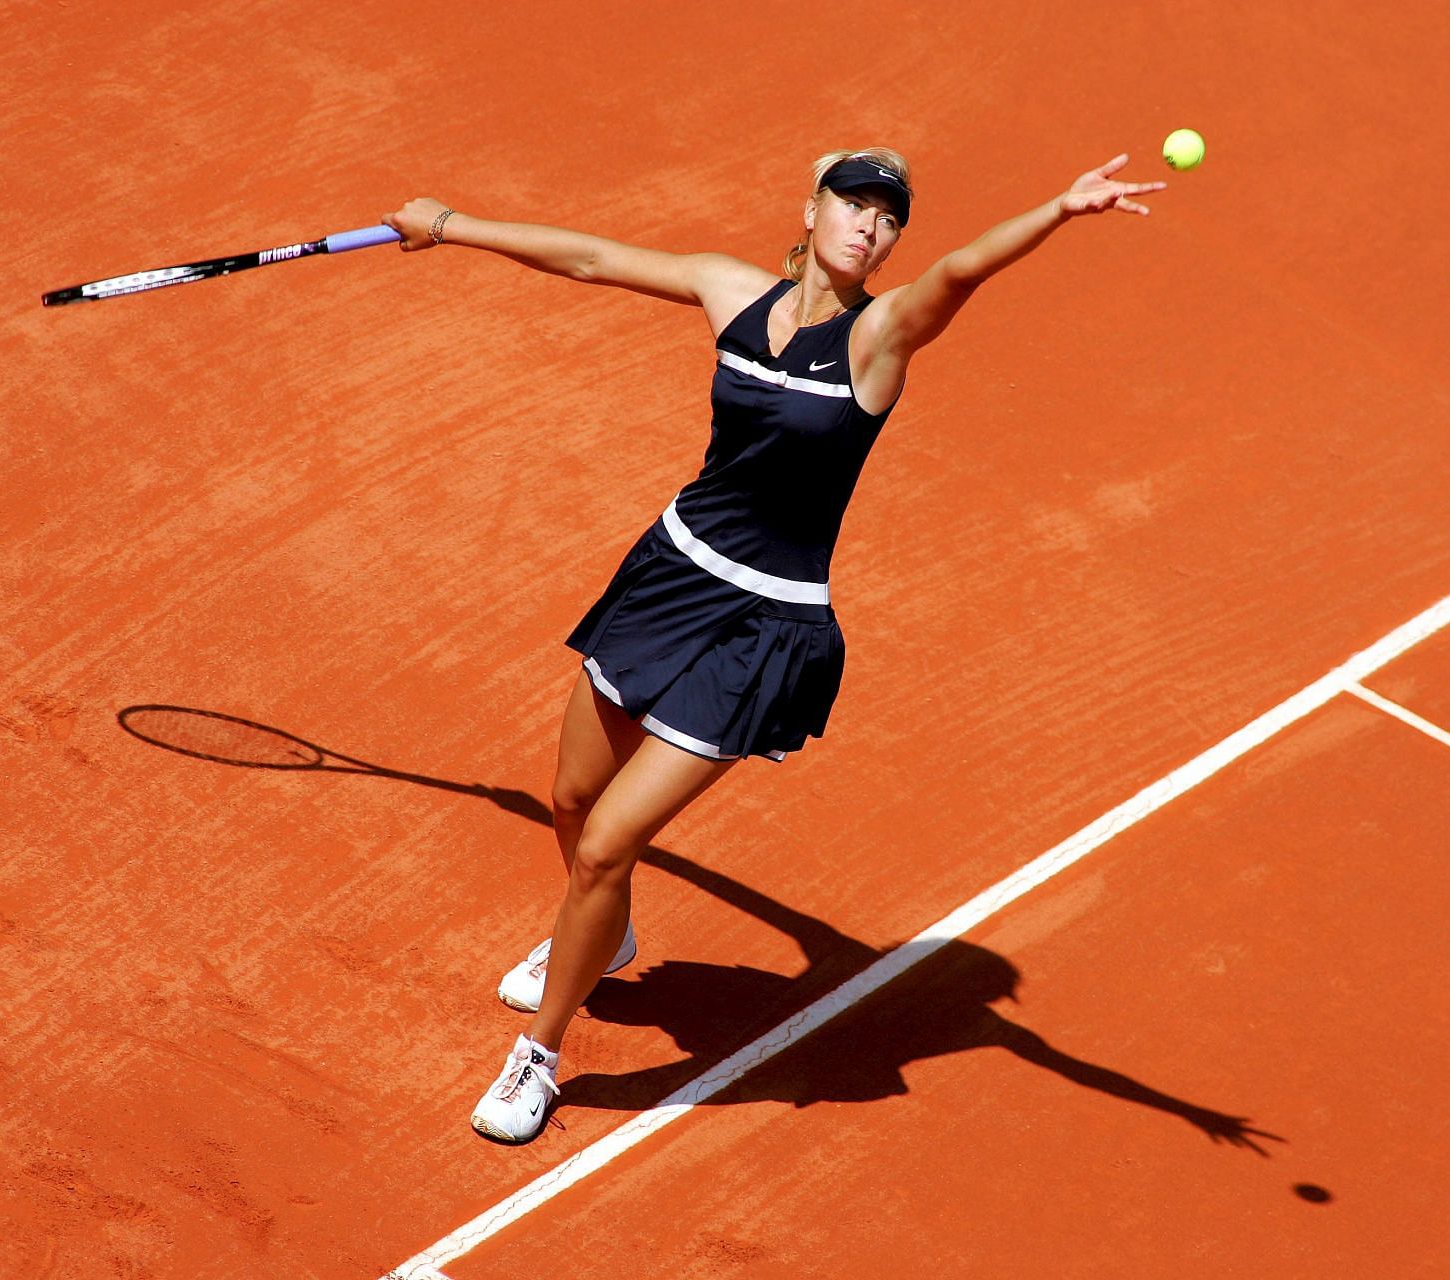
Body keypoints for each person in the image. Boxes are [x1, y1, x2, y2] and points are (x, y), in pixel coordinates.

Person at [382, 148, 1166, 1144]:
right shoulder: (730, 290)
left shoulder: (881, 338)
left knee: (611, 842)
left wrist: (1057, 208)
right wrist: (451, 223)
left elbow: (959, 273)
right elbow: (591, 257)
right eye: (855, 203)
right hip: (666, 577)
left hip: (761, 629)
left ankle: (540, 1052)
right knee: (573, 803)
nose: (871, 226)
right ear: (814, 207)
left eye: (889, 217)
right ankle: (604, 932)